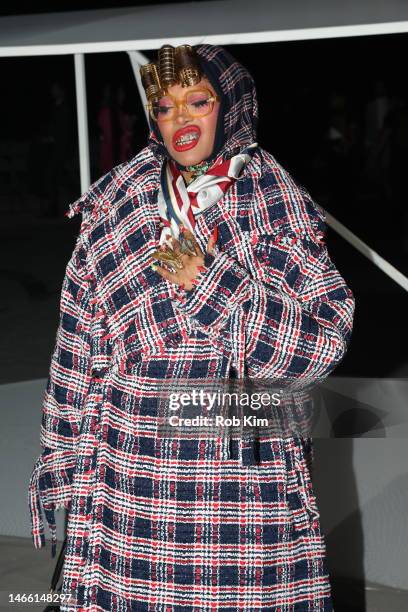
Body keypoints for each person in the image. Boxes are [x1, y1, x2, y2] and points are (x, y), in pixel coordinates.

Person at [28, 44, 354, 611]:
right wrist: (59, 457)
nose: (181, 118)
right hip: (130, 479)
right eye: (165, 106)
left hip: (241, 489)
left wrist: (212, 285)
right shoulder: (120, 202)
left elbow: (325, 345)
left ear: (229, 107)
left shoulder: (275, 202)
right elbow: (76, 344)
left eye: (197, 101)